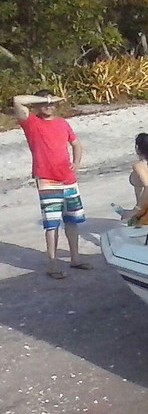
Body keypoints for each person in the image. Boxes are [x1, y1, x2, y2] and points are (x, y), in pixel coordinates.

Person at [13, 91, 91, 278]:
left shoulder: (62, 123)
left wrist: (76, 162)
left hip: (68, 179)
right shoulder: (31, 123)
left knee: (72, 221)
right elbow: (17, 100)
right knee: (52, 224)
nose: (48, 106)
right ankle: (52, 264)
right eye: (44, 103)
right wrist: (46, 99)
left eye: (51, 103)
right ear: (37, 105)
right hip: (47, 179)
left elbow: (76, 144)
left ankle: (75, 259)